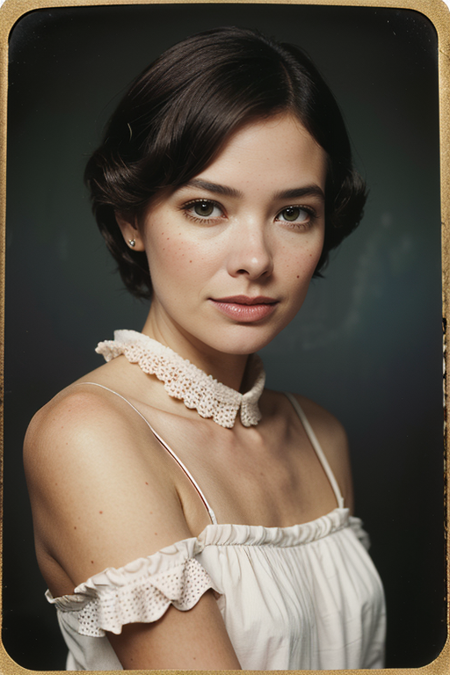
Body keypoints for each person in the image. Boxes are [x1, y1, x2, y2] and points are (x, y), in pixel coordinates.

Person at [24, 27, 386, 671]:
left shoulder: (321, 436)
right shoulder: (88, 434)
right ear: (130, 219)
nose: (255, 259)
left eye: (294, 213)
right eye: (206, 208)